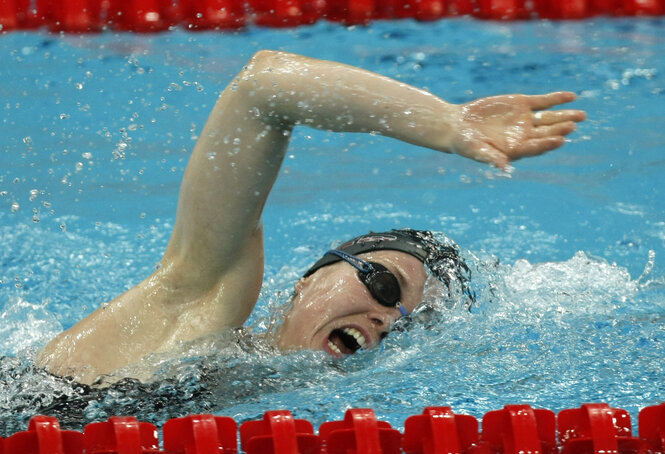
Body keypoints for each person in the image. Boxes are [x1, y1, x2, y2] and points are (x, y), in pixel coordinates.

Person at [35, 50, 586, 385]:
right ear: (311, 278)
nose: (388, 320)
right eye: (384, 283)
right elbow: (264, 88)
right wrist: (446, 122)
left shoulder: (285, 406)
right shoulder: (194, 308)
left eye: (417, 326)